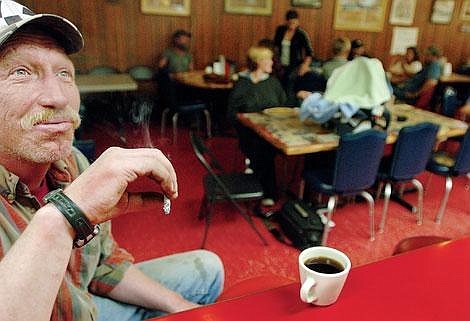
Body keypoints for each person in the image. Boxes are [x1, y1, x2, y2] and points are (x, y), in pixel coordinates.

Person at [0, 2, 223, 321]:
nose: (60, 98)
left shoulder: (73, 162)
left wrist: (178, 305)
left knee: (209, 269)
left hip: (81, 298)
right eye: (21, 72)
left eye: (64, 73)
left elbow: (103, 263)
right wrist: (64, 215)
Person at [227, 46, 287, 207]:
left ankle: (258, 180)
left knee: (266, 148)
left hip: (272, 130)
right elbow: (231, 112)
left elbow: (284, 106)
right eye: (268, 59)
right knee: (262, 149)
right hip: (248, 132)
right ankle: (268, 191)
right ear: (258, 62)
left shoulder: (273, 83)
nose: (272, 63)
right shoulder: (242, 83)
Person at [274, 9, 314, 105]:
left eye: (295, 23)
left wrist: (305, 65)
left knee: (289, 84)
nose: (292, 25)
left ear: (298, 22)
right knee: (277, 85)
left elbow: (309, 52)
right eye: (290, 22)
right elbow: (275, 47)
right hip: (280, 64)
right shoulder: (280, 30)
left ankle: (289, 106)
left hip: (295, 65)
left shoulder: (301, 34)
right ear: (286, 21)